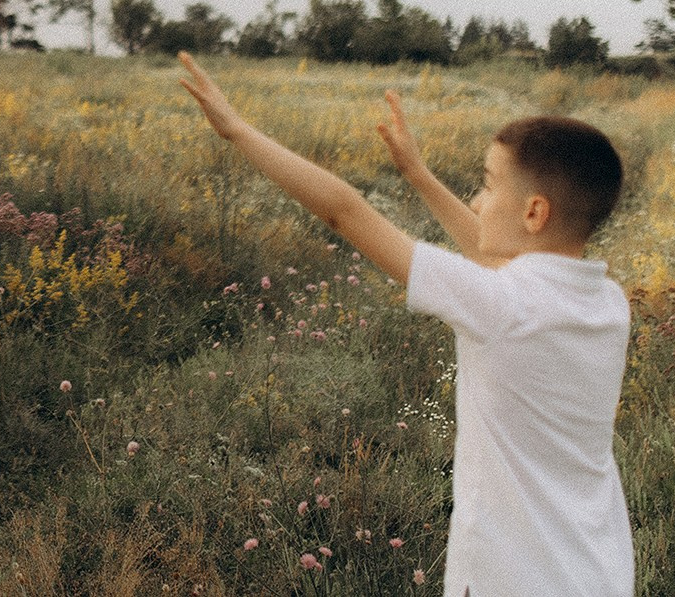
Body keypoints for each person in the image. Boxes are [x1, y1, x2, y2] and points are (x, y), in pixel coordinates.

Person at [175, 53, 633, 597]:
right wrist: (416, 175)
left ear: (534, 213)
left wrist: (237, 131)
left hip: (515, 575)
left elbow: (344, 211)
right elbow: (501, 263)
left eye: (487, 186)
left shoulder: (505, 306)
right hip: (597, 567)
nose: (477, 201)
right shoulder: (607, 301)